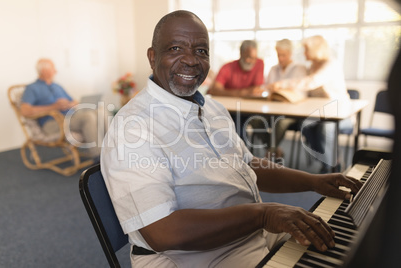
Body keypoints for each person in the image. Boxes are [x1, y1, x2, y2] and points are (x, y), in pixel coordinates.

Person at [101, 11, 361, 267]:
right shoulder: (132, 128)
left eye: (201, 51)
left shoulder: (213, 109)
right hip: (193, 256)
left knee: (348, 247)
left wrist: (315, 182)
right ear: (152, 56)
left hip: (249, 235)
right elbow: (164, 233)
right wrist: (264, 214)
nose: (191, 60)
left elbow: (248, 165)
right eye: (176, 48)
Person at [269, 35, 351, 173]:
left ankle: (332, 166)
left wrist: (282, 84)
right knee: (304, 125)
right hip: (319, 113)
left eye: (306, 50)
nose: (304, 53)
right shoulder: (312, 66)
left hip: (340, 114)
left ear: (316, 50)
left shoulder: (331, 65)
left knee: (326, 127)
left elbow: (310, 82)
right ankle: (327, 159)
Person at [20, 58, 100, 159]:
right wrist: (54, 107)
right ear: (44, 71)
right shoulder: (32, 88)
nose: (56, 71)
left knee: (100, 112)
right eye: (53, 68)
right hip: (52, 123)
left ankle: (108, 151)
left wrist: (69, 104)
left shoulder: (57, 86)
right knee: (88, 116)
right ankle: (98, 156)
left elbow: (75, 102)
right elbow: (25, 111)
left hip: (70, 118)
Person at [207, 40, 267, 144]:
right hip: (230, 110)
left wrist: (241, 92)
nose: (251, 61)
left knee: (256, 122)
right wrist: (242, 92)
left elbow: (256, 90)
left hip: (249, 109)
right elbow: (215, 90)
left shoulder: (259, 63)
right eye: (248, 57)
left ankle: (246, 152)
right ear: (241, 53)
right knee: (235, 123)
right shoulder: (227, 67)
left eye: (254, 58)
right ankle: (240, 153)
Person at [264, 39, 308, 158]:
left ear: (290, 53)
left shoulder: (300, 68)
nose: (281, 58)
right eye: (279, 55)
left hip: (292, 113)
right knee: (255, 120)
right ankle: (274, 149)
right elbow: (268, 89)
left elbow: (301, 94)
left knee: (280, 122)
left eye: (283, 55)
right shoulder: (273, 69)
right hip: (273, 110)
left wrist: (281, 90)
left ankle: (269, 155)